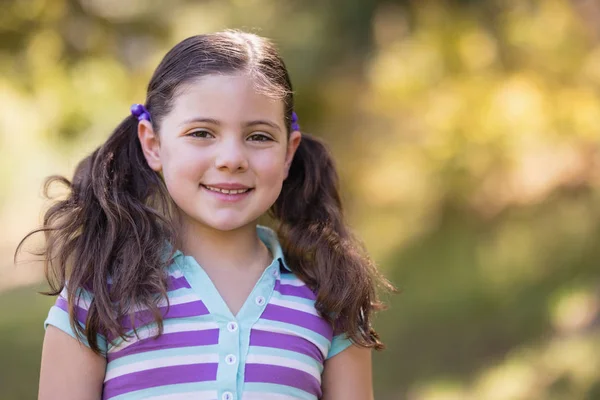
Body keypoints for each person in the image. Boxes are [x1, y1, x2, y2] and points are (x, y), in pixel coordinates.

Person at [20, 30, 393, 400]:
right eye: (201, 133)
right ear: (153, 144)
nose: (231, 159)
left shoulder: (331, 299)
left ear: (288, 153)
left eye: (259, 136)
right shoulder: (99, 294)